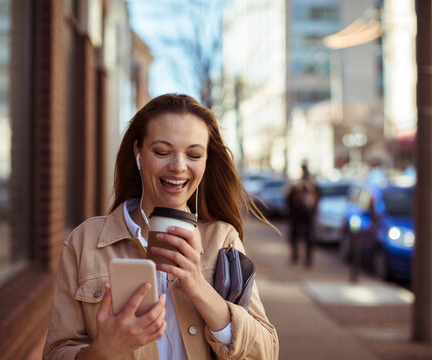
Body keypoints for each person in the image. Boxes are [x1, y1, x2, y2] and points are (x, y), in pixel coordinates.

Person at [43, 94, 279, 359]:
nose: (178, 166)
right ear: (138, 152)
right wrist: (104, 351)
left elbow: (265, 352)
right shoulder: (84, 242)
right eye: (162, 152)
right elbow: (56, 351)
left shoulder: (223, 239)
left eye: (194, 154)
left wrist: (198, 286)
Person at [286, 162, 320, 267]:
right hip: (305, 215)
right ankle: (305, 258)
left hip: (299, 215)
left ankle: (298, 257)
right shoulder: (311, 184)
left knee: (298, 236)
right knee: (306, 236)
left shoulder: (298, 184)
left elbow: (288, 199)